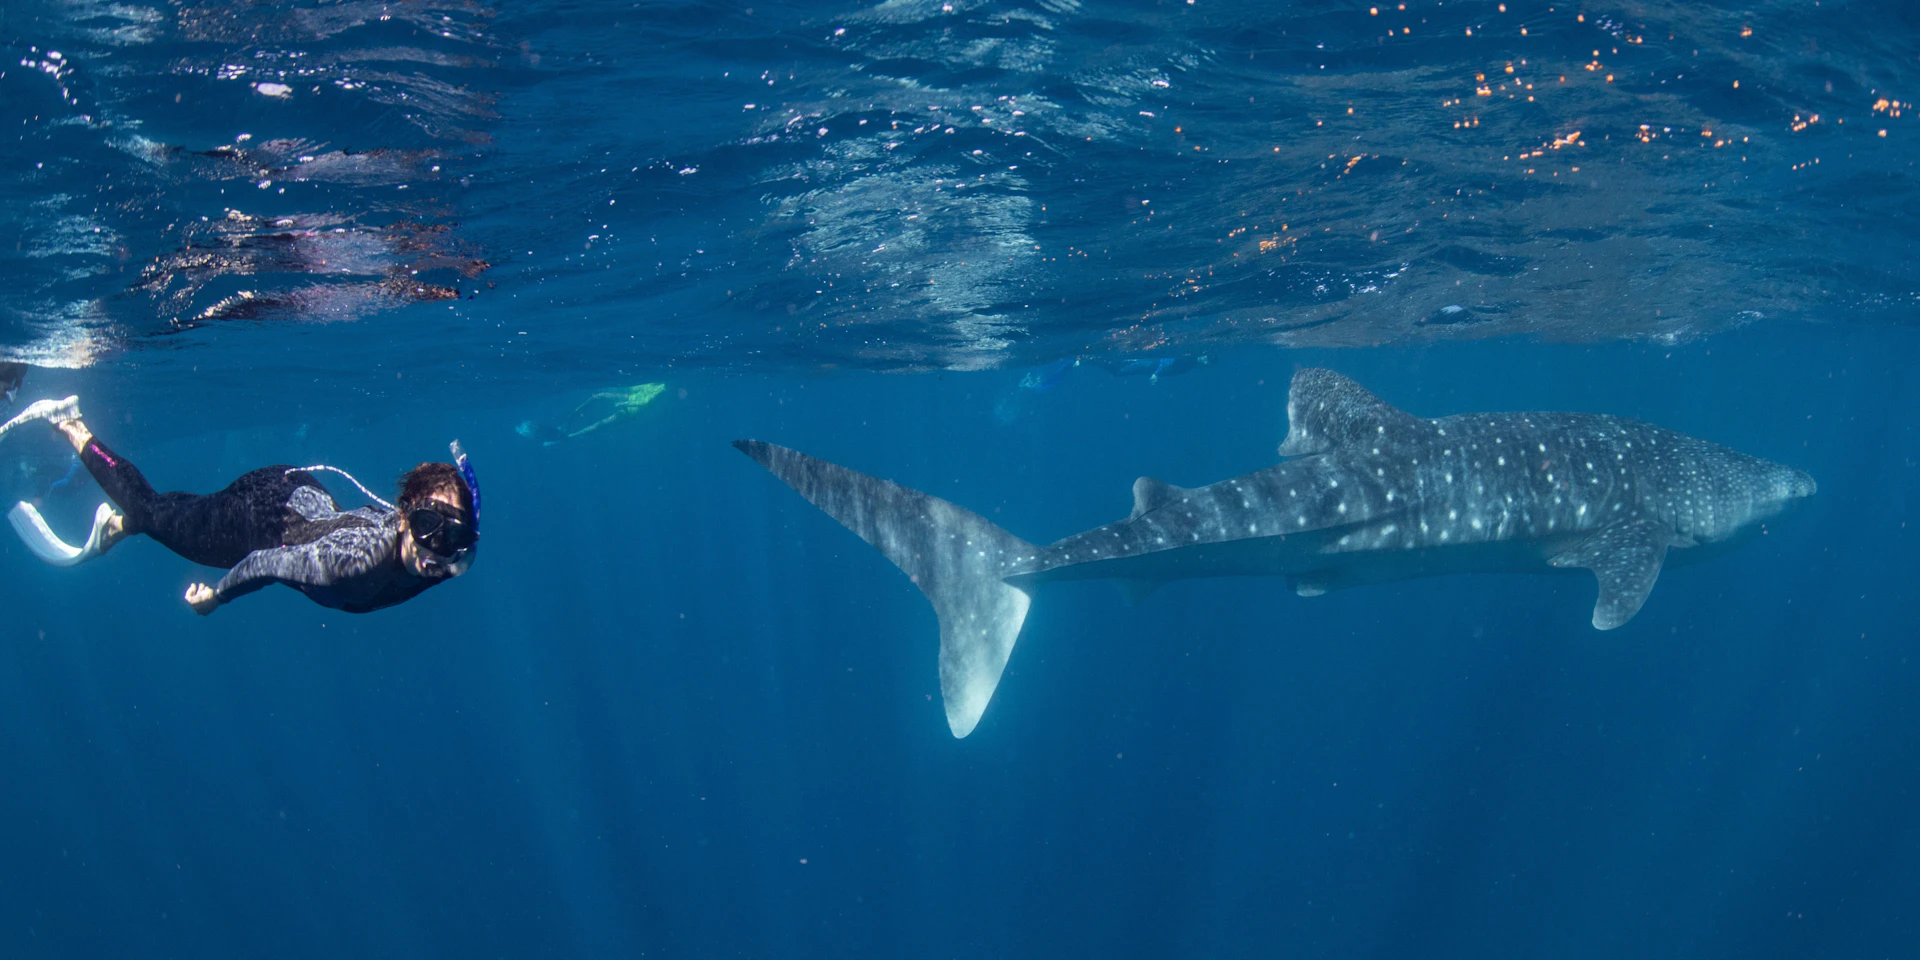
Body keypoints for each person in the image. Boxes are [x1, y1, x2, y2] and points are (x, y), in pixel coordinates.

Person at [0, 395, 479, 615]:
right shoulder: (352, 567)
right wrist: (217, 597)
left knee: (175, 517)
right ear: (403, 517)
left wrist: (463, 539)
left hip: (299, 491)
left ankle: (124, 527)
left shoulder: (448, 561)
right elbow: (267, 562)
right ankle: (72, 424)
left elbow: (460, 550)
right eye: (425, 524)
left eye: (450, 535)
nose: (434, 547)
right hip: (263, 516)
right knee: (155, 513)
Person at [516, 381, 665, 446]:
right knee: (598, 396)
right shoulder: (655, 383)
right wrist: (624, 398)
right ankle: (569, 419)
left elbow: (646, 402)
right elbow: (636, 391)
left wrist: (626, 403)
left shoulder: (662, 389)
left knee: (600, 425)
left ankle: (568, 436)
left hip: (632, 410)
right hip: (631, 398)